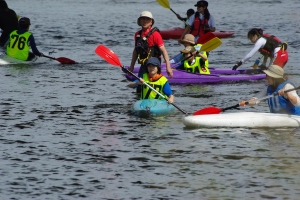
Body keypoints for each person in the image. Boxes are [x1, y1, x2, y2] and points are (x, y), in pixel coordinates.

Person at [129, 11, 173, 79]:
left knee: (154, 83)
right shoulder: (137, 35)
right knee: (140, 86)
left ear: (151, 22)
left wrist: (168, 67)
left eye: (147, 19)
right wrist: (131, 67)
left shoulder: (155, 34)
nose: (145, 21)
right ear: (139, 21)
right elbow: (136, 51)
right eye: (143, 19)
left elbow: (164, 51)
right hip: (144, 64)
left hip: (154, 65)